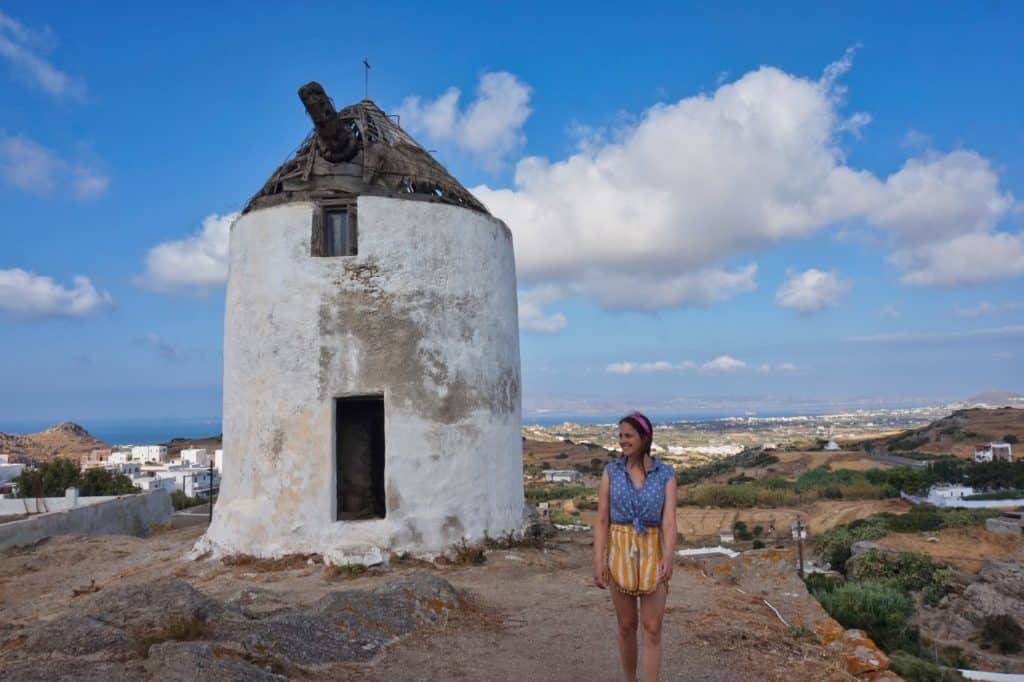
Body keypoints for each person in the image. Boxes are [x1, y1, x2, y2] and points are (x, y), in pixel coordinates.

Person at [593, 411, 677, 682]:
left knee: (652, 628)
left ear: (644, 438)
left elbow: (669, 522)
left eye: (628, 435)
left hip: (652, 551)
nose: (622, 441)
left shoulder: (665, 475)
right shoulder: (611, 472)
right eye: (620, 435)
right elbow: (602, 518)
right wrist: (598, 560)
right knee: (627, 625)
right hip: (620, 550)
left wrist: (668, 556)